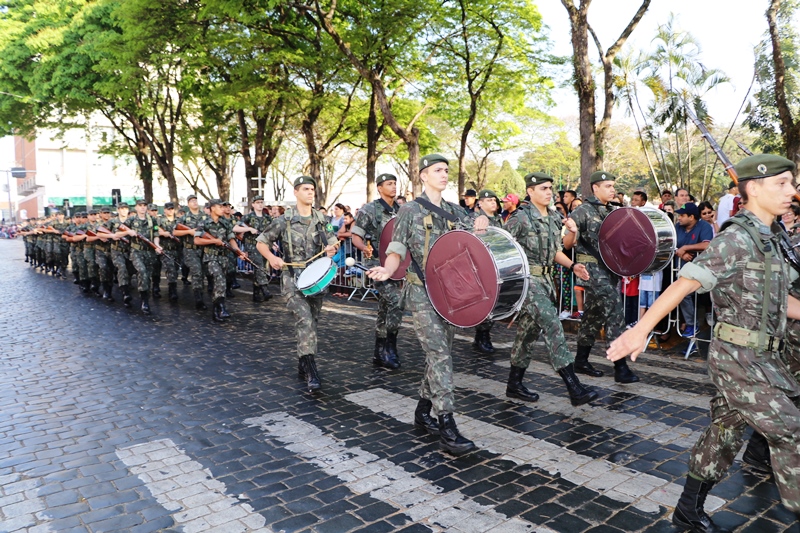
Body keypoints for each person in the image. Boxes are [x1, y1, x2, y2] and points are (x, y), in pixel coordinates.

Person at [607, 154, 800, 532]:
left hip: (763, 356)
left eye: (792, 183)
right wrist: (640, 329)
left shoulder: (770, 237)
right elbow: (684, 283)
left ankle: (688, 510)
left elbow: (780, 301)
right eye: (782, 183)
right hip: (739, 359)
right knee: (792, 429)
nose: (792, 191)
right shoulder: (735, 239)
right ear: (753, 188)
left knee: (724, 433)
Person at [367, 154, 490, 454]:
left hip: (449, 294)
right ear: (423, 175)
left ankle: (423, 411)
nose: (444, 175)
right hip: (421, 293)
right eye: (438, 170)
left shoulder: (455, 211)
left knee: (440, 354)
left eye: (447, 170)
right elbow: (397, 246)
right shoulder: (409, 209)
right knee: (439, 355)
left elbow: (474, 242)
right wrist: (388, 268)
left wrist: (483, 224)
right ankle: (447, 425)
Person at [504, 172, 597, 406]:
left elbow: (559, 249)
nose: (548, 192)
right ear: (530, 191)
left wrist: (573, 263)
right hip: (527, 282)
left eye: (550, 189)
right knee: (552, 325)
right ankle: (574, 387)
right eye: (543, 188)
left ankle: (514, 384)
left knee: (527, 332)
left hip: (547, 282)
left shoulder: (555, 217)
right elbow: (503, 249)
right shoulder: (520, 219)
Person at [256, 176, 338, 391]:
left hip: (317, 280)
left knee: (313, 321)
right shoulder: (285, 220)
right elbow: (261, 242)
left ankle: (303, 359)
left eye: (312, 189)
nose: (310, 193)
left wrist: (332, 249)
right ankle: (311, 369)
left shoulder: (322, 219)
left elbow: (332, 242)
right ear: (296, 193)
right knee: (305, 320)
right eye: (305, 189)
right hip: (292, 279)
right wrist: (272, 258)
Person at [563, 171, 639, 383]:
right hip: (591, 270)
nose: (612, 189)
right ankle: (621, 367)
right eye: (607, 186)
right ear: (595, 188)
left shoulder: (613, 211)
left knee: (593, 315)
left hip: (609, 270)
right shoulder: (583, 211)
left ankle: (581, 359)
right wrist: (572, 232)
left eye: (613, 186)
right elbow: (567, 244)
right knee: (614, 311)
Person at [351, 173, 404, 369]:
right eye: (389, 184)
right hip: (377, 264)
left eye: (395, 184)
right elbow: (356, 234)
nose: (393, 187)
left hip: (398, 265)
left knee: (385, 308)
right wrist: (363, 247)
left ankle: (379, 351)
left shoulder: (401, 210)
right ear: (380, 188)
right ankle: (390, 348)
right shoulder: (370, 209)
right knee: (395, 302)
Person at [195, 199, 248, 322]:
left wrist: (238, 251)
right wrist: (213, 241)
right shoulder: (204, 223)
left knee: (221, 283)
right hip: (210, 257)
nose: (223, 209)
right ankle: (222, 308)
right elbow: (197, 240)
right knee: (219, 278)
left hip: (224, 257)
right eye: (220, 207)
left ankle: (216, 310)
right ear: (213, 208)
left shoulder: (225, 223)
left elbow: (231, 239)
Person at [674, 202, 714, 338]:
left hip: (699, 271)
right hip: (679, 269)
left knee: (684, 294)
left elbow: (706, 245)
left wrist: (686, 248)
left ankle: (692, 324)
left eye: (682, 215)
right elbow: (670, 243)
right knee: (679, 294)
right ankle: (686, 324)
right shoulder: (677, 227)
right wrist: (680, 252)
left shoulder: (705, 226)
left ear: (692, 217)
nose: (679, 218)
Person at [471, 189, 504, 354]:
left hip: (496, 264)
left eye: (494, 200)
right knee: (485, 301)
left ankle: (482, 335)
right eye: (489, 200)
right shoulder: (476, 220)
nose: (493, 203)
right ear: (480, 203)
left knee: (494, 301)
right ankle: (482, 335)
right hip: (482, 266)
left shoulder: (498, 220)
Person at [118, 199, 161, 315]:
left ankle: (145, 297)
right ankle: (144, 302)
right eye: (140, 206)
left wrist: (156, 245)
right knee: (141, 271)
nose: (142, 207)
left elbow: (156, 234)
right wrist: (128, 232)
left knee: (147, 276)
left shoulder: (152, 220)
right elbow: (119, 232)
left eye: (144, 205)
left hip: (149, 252)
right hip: (136, 251)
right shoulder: (131, 220)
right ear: (136, 208)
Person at [234, 195, 273, 302]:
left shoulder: (267, 217)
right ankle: (265, 289)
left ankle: (256, 294)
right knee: (259, 265)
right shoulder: (248, 217)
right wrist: (249, 229)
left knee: (259, 268)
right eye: (257, 202)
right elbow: (235, 228)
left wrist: (273, 242)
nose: (260, 204)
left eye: (261, 202)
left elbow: (272, 231)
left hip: (264, 246)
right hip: (252, 246)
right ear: (253, 204)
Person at [174, 195, 208, 310]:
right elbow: (174, 232)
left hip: (204, 249)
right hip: (190, 249)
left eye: (195, 200)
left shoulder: (205, 216)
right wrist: (189, 231)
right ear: (188, 204)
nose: (194, 202)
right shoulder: (184, 218)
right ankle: (199, 298)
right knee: (196, 272)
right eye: (191, 201)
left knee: (203, 272)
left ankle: (202, 293)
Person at [108, 203, 134, 305]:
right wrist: (111, 235)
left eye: (125, 209)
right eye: (121, 209)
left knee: (130, 270)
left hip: (131, 251)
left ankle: (125, 284)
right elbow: (100, 233)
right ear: (118, 210)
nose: (123, 210)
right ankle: (125, 293)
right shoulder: (112, 221)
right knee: (122, 268)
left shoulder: (133, 221)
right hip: (117, 250)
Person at [157, 202, 181, 302]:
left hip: (177, 249)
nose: (170, 210)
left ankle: (172, 286)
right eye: (168, 209)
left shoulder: (178, 220)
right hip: (166, 249)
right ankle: (173, 291)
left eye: (172, 209)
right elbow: (154, 230)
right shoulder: (160, 220)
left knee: (175, 270)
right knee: (170, 268)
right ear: (165, 210)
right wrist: (163, 233)